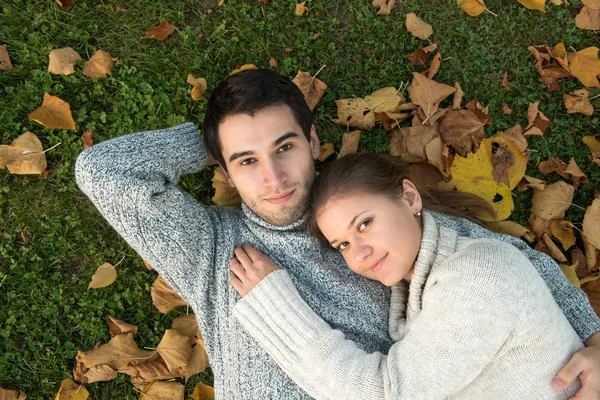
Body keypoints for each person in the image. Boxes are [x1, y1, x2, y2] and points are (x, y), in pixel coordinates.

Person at [74, 69, 600, 399]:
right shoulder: (210, 247)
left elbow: (514, 263)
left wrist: (597, 341)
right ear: (227, 171)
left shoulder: (366, 213)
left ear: (313, 141)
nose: (273, 179)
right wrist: (215, 138)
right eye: (247, 161)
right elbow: (105, 173)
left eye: (284, 148)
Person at [230, 152, 585, 399]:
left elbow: (386, 393)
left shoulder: (477, 276)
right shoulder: (427, 285)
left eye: (365, 224)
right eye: (342, 245)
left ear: (410, 198)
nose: (360, 254)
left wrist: (276, 305)